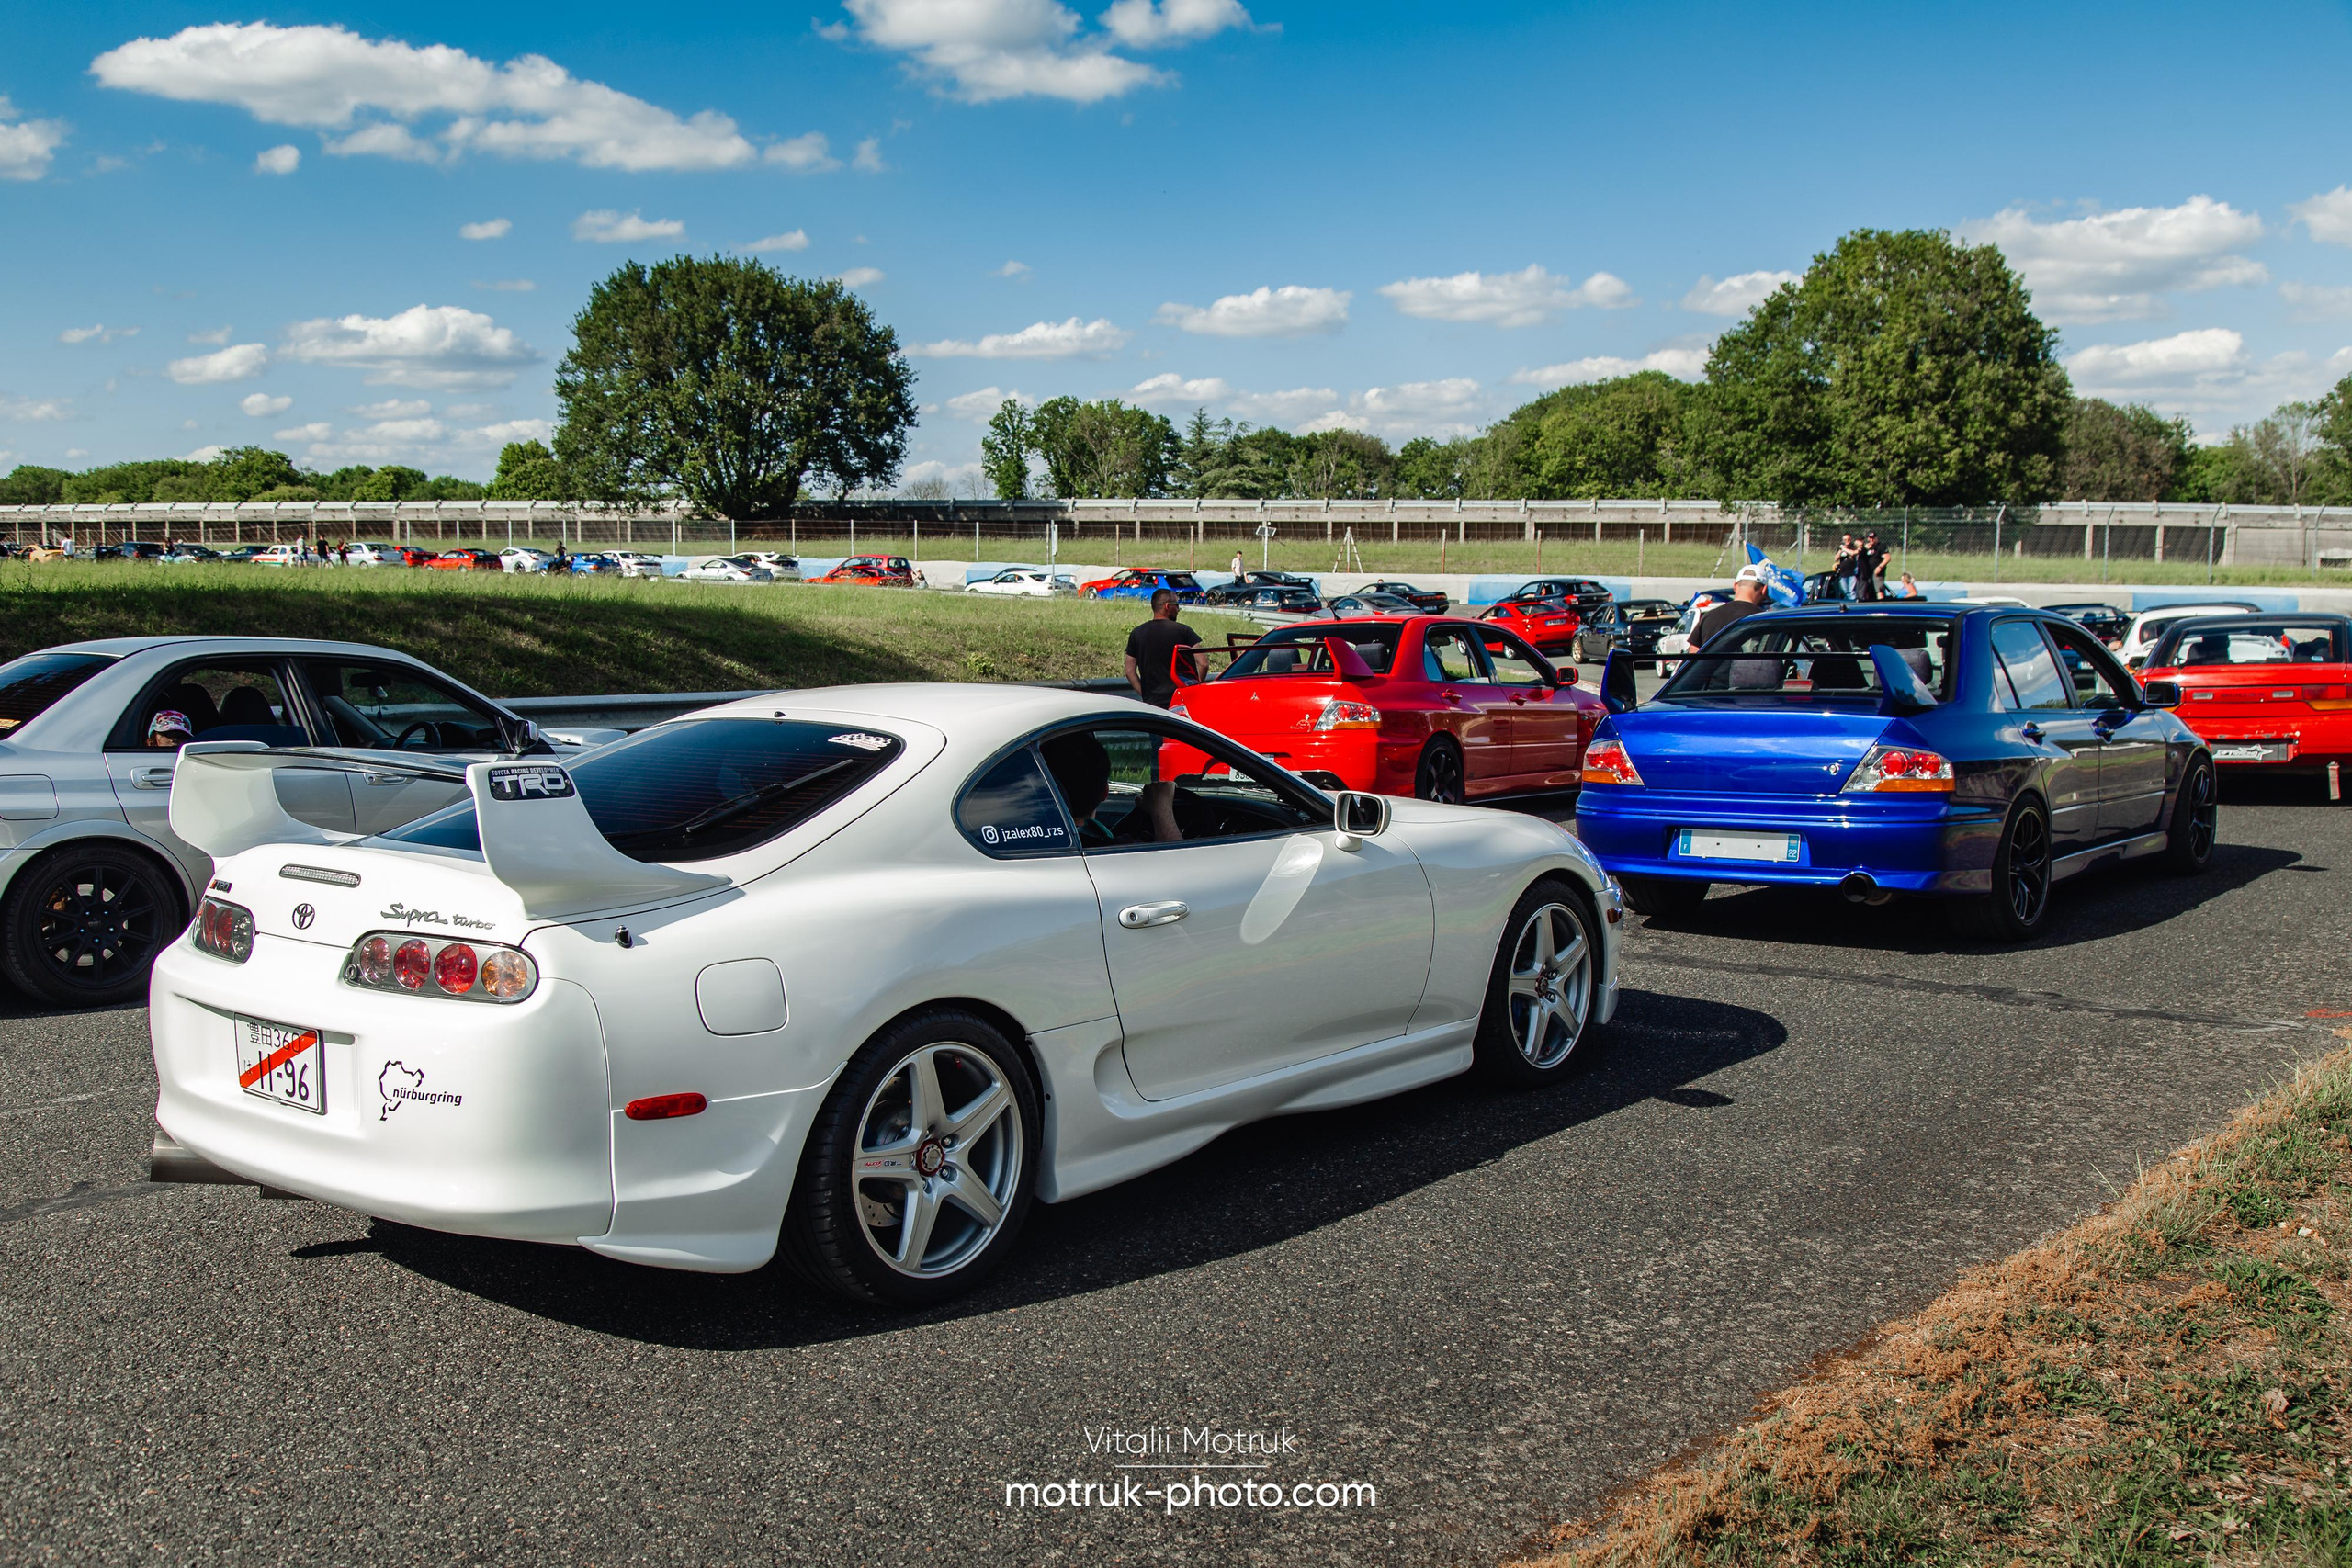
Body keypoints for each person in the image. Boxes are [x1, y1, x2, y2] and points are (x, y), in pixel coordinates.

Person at [1124, 588, 1201, 709]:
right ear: (1167, 606)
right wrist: (1191, 689)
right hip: (1179, 703)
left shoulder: (1137, 633)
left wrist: (1146, 695)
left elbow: (1129, 671)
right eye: (1176, 605)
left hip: (1152, 704)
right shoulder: (1184, 631)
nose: (1178, 609)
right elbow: (1203, 663)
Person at [1693, 564, 1772, 648]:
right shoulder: (1765, 621)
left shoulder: (1708, 616)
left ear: (1735, 586)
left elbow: (1693, 655)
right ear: (1764, 590)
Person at [1856, 531, 1886, 601]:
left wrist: (1880, 567)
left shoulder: (1880, 546)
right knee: (1867, 591)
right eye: (1870, 538)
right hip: (1868, 572)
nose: (1872, 540)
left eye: (1873, 538)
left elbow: (1887, 558)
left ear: (1876, 538)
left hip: (1877, 572)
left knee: (1879, 590)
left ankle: (1881, 606)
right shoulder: (1866, 547)